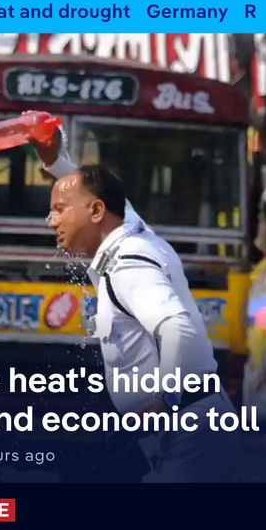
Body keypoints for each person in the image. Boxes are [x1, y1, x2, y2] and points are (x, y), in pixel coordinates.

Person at [34, 127, 238, 482]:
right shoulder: (127, 228)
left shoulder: (129, 263)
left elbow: (177, 325)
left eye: (59, 210)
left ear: (97, 212)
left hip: (190, 430)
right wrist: (54, 159)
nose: (51, 221)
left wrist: (163, 399)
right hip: (186, 430)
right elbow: (91, 193)